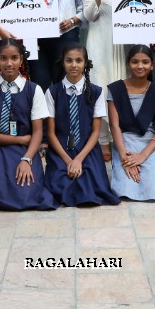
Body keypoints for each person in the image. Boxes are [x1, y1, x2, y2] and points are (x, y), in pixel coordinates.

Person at [0, 38, 56, 214]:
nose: (9, 63)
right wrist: (20, 139)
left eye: (14, 58)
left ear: (21, 60)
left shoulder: (34, 90)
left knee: (26, 194)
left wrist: (27, 159)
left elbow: (38, 132)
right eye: (3, 58)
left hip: (26, 150)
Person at [44, 43, 120, 207]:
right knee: (58, 185)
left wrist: (78, 159)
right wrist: (68, 160)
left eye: (79, 60)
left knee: (94, 185)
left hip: (87, 148)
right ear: (63, 63)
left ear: (85, 63)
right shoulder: (52, 92)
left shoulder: (96, 92)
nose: (74, 65)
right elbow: (50, 133)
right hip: (60, 149)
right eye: (69, 60)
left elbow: (95, 132)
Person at [82, 0, 136, 158]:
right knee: (100, 87)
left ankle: (119, 137)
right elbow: (88, 16)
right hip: (98, 42)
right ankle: (103, 140)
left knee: (122, 88)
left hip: (123, 44)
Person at [107, 45, 155, 202]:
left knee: (152, 188)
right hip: (124, 142)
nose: (140, 66)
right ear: (128, 64)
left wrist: (142, 156)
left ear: (152, 65)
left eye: (145, 62)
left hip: (149, 143)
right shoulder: (115, 89)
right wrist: (125, 159)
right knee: (124, 188)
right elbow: (114, 126)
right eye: (135, 62)